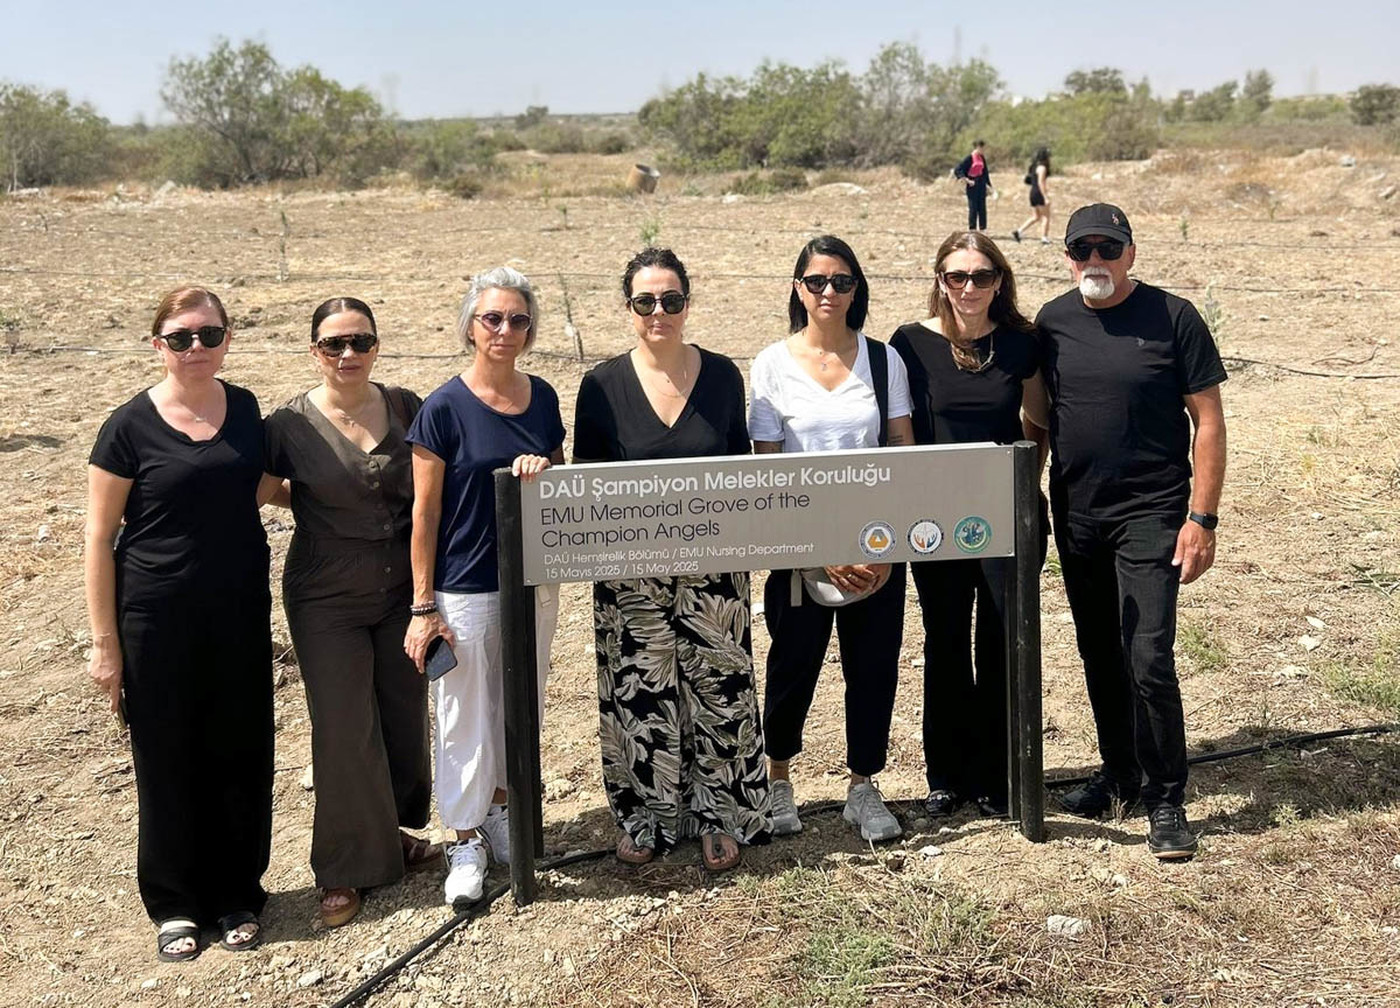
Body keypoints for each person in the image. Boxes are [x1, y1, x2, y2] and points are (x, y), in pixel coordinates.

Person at [1030, 203, 1227, 860]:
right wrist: (1028, 493)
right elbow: (1037, 419)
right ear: (1067, 258)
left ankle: (1166, 798)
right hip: (1078, 514)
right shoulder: (1052, 323)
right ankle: (1119, 773)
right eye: (1082, 250)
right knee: (1098, 651)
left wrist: (1202, 518)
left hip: (1154, 513)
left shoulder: (1174, 317)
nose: (1096, 261)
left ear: (1131, 254)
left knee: (1148, 657)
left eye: (1108, 249)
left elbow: (1209, 422)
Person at [85, 287, 272, 962]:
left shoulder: (245, 408)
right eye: (182, 336)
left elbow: (256, 485)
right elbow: (98, 536)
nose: (197, 347)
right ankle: (175, 904)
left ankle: (237, 894)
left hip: (239, 613)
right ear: (157, 344)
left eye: (209, 334)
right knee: (168, 758)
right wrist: (105, 647)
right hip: (155, 619)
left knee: (241, 751)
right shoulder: (128, 427)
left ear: (227, 339)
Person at [573, 247, 770, 871]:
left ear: (688, 302)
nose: (659, 311)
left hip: (714, 569)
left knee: (720, 687)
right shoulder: (601, 386)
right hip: (631, 575)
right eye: (645, 301)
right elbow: (586, 486)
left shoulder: (722, 377)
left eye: (671, 299)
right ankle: (650, 815)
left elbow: (740, 471)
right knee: (641, 695)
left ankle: (721, 812)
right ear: (628, 307)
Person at [263, 298, 434, 929]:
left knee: (401, 712)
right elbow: (263, 488)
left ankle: (392, 837)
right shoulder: (289, 425)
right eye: (334, 344)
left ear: (377, 346)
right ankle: (342, 867)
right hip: (325, 594)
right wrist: (319, 505)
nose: (348, 354)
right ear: (315, 351)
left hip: (401, 588)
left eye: (360, 341)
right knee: (342, 727)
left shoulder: (406, 406)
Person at [403, 267, 564, 906]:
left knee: (518, 703)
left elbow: (560, 486)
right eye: (492, 318)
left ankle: (500, 807)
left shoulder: (542, 397)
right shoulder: (443, 408)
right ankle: (464, 838)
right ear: (470, 325)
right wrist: (423, 605)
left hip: (532, 579)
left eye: (518, 319)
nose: (505, 329)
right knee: (463, 713)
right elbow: (424, 514)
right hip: (466, 585)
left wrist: (542, 470)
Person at [750, 234, 915, 844]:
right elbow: (767, 470)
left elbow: (901, 453)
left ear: (856, 289)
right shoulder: (771, 365)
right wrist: (811, 548)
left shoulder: (884, 361)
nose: (828, 292)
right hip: (800, 549)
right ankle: (778, 780)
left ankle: (863, 786)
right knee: (792, 665)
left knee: (873, 668)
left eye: (841, 282)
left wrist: (887, 548)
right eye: (816, 281)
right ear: (798, 288)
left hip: (874, 548)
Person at [890, 231, 1049, 820]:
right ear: (940, 280)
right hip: (936, 519)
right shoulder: (909, 344)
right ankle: (948, 774)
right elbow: (900, 430)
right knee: (947, 640)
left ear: (999, 281)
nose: (969, 287)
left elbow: (1038, 421)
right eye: (957, 276)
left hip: (1007, 516)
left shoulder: (1022, 343)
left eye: (981, 276)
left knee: (1003, 640)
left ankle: (999, 772)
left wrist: (1023, 484)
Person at [953, 140, 996, 232]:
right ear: (977, 147)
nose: (983, 150)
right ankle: (972, 229)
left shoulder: (982, 158)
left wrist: (989, 185)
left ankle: (983, 228)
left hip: (981, 184)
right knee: (973, 207)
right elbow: (958, 169)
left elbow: (985, 172)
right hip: (972, 184)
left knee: (982, 207)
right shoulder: (969, 158)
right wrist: (966, 180)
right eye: (982, 148)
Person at [1012, 147, 1052, 245]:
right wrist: (1045, 197)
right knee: (1046, 216)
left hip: (1032, 193)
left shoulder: (1034, 167)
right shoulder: (1042, 168)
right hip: (1039, 193)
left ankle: (1019, 231)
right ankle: (1044, 237)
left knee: (1036, 216)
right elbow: (1041, 183)